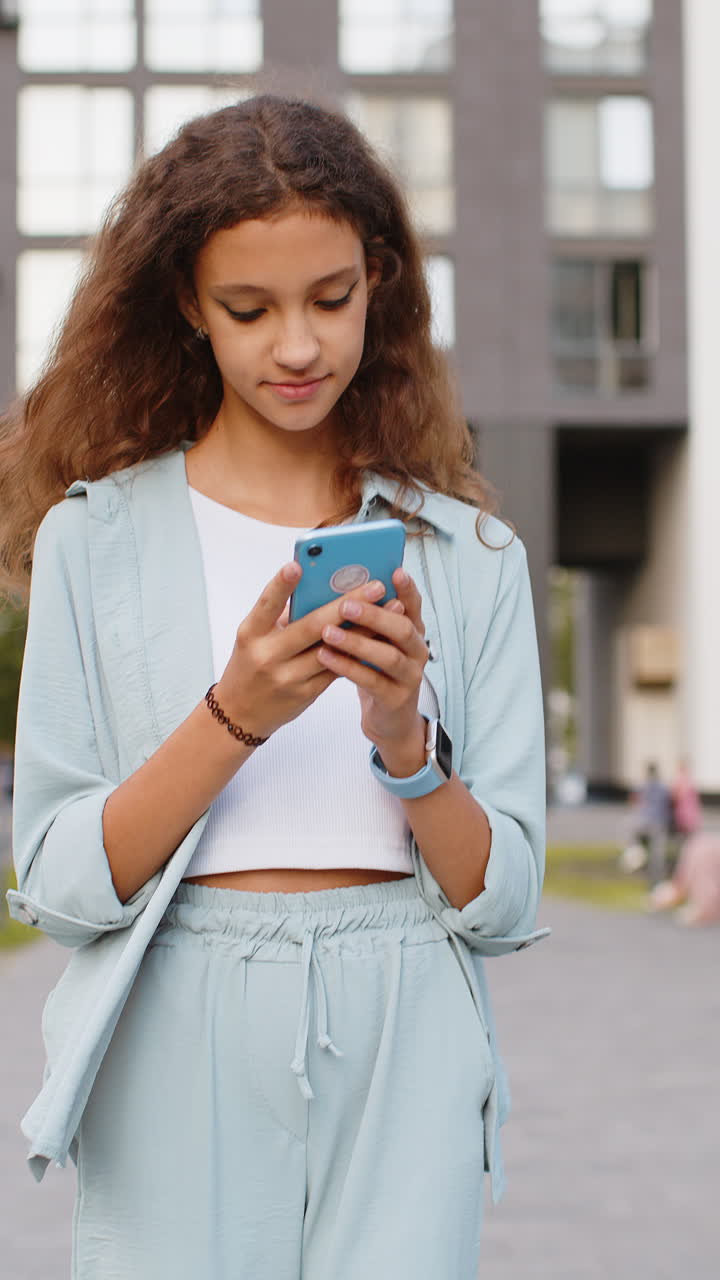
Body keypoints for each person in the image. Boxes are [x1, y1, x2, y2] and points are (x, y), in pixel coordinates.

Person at [0, 95, 548, 1279]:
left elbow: (502, 902)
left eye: (331, 298)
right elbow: (53, 884)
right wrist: (237, 710)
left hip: (409, 1019)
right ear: (190, 306)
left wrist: (407, 742)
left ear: (380, 282)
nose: (296, 347)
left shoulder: (469, 559)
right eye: (249, 308)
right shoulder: (93, 543)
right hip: (174, 1011)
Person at [621, 761, 672, 884]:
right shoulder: (663, 787)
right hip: (658, 822)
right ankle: (656, 876)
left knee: (635, 843)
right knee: (657, 853)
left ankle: (636, 864)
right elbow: (668, 803)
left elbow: (633, 800)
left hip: (643, 821)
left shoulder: (642, 785)